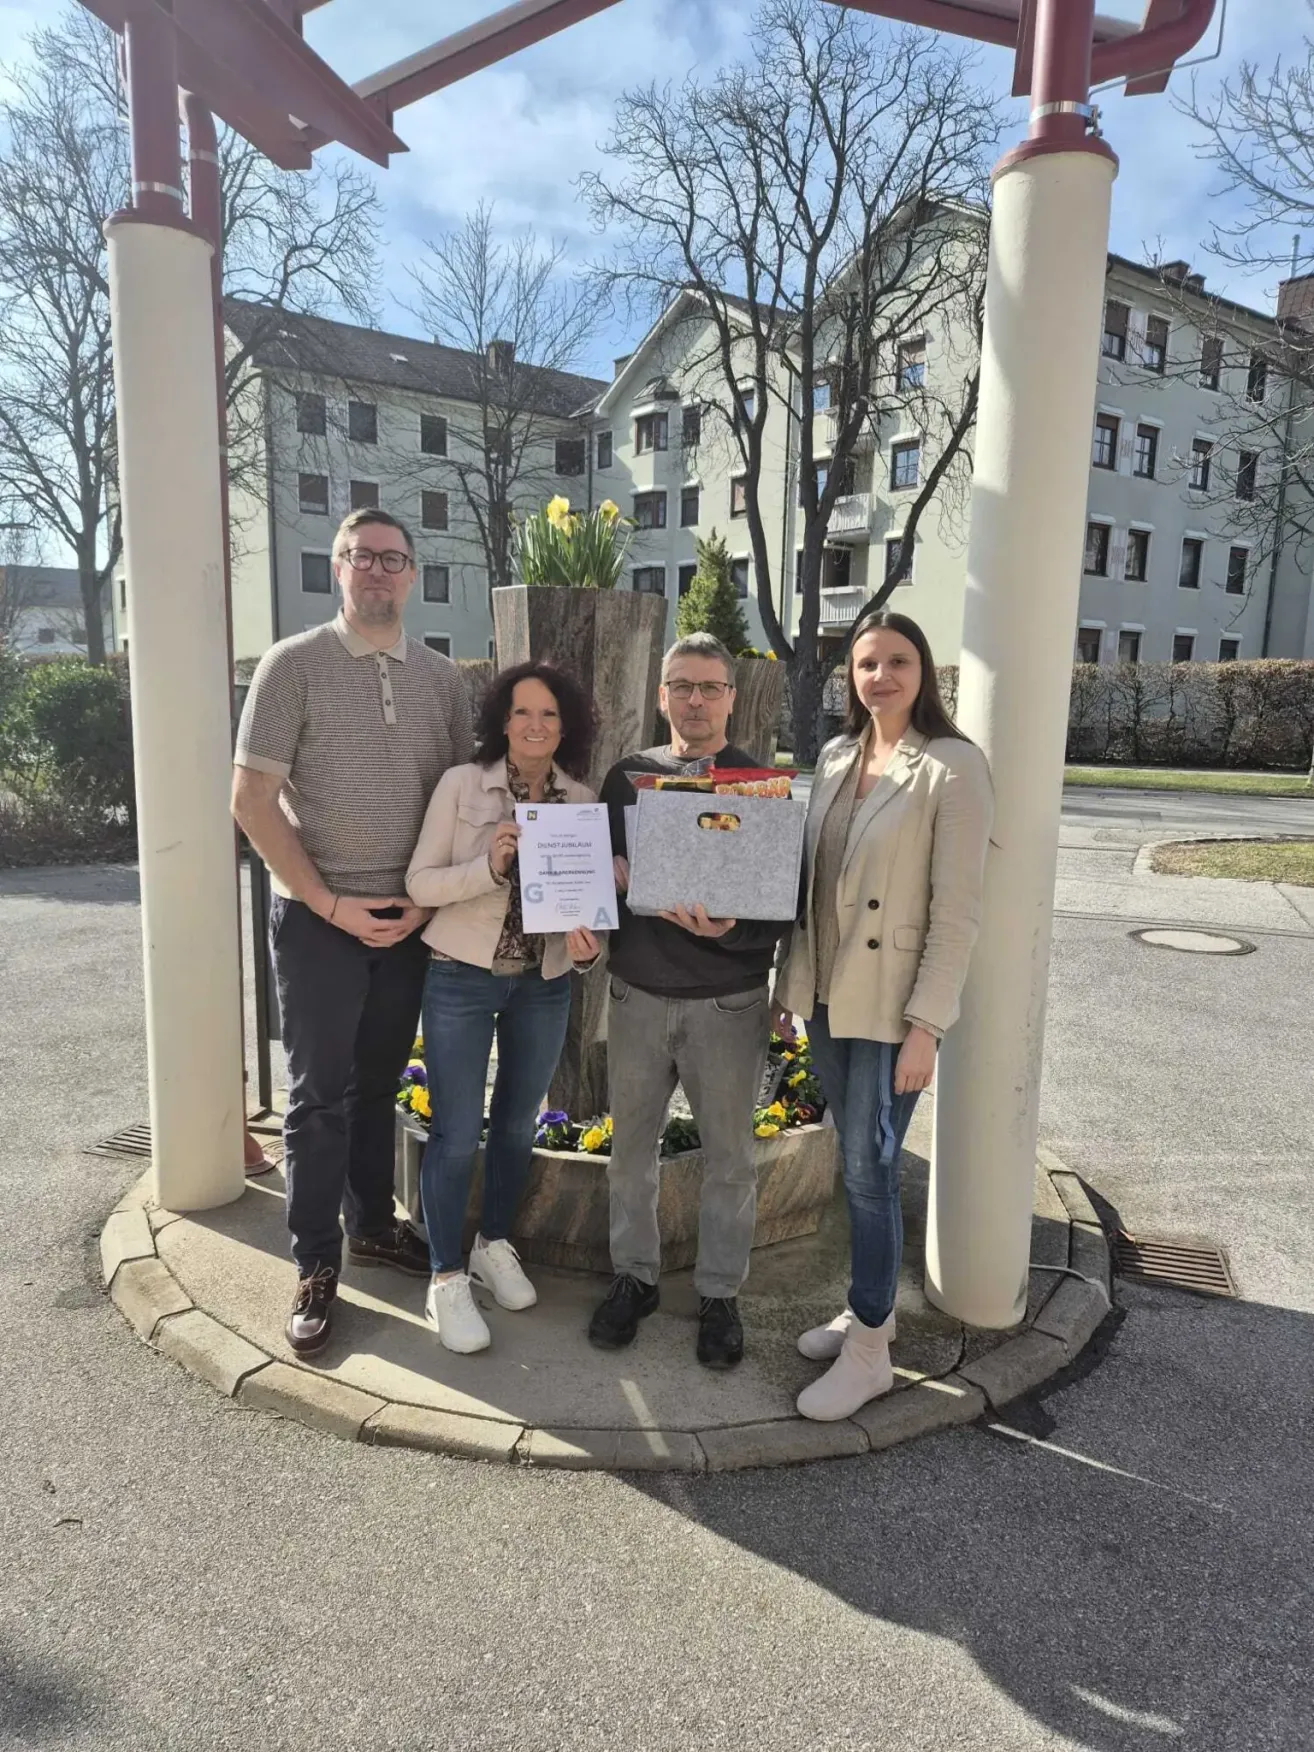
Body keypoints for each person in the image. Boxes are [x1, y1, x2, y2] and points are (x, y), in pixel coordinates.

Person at [232, 508, 473, 1357]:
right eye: (360, 557)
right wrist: (330, 905)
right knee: (317, 1097)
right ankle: (316, 1261)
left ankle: (372, 1225)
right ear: (337, 569)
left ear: (412, 575)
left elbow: (460, 803)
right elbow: (252, 803)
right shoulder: (291, 666)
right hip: (318, 920)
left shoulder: (445, 680)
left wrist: (425, 905)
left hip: (409, 921)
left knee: (377, 1088)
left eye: (392, 559)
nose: (376, 571)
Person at [774, 608, 993, 1421]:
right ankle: (872, 1310)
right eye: (866, 664)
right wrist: (787, 992)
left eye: (898, 661)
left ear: (923, 671)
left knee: (870, 1170)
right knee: (852, 1161)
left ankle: (871, 1352)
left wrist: (928, 1025)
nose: (881, 677)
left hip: (894, 1005)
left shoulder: (952, 767)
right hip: (830, 993)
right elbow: (808, 890)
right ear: (851, 676)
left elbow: (958, 912)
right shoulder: (835, 756)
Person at [588, 632, 793, 1369]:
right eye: (682, 686)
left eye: (710, 687)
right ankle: (635, 1279)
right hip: (639, 996)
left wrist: (735, 928)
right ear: (662, 695)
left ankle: (719, 1293)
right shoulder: (628, 777)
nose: (696, 700)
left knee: (730, 1160)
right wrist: (599, 892)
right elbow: (599, 880)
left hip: (727, 1005)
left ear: (732, 698)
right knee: (630, 1154)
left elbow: (783, 905)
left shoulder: (761, 787)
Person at [406, 663, 601, 1355]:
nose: (536, 725)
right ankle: (446, 1277)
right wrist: (486, 868)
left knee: (517, 1124)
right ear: (502, 719)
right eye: (523, 712)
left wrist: (585, 951)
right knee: (458, 1132)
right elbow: (420, 881)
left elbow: (588, 914)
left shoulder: (579, 802)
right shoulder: (463, 785)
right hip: (461, 975)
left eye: (549, 714)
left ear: (565, 724)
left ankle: (493, 1245)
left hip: (544, 982)